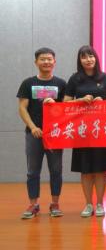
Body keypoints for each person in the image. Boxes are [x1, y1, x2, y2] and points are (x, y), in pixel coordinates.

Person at [64, 45, 106, 218]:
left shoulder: (105, 78)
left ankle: (100, 204)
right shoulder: (74, 79)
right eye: (84, 57)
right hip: (82, 131)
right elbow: (65, 104)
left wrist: (102, 103)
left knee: (100, 169)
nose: (88, 60)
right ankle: (88, 204)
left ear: (96, 58)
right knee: (85, 170)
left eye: (91, 56)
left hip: (101, 130)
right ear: (80, 60)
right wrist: (79, 101)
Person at [17, 47, 66, 219]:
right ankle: (33, 204)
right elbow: (22, 108)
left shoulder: (61, 83)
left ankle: (55, 204)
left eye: (49, 59)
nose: (46, 62)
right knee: (32, 171)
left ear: (54, 62)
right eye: (42, 59)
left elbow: (67, 108)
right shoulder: (28, 83)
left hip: (55, 135)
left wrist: (56, 105)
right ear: (36, 62)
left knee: (56, 170)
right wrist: (33, 127)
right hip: (34, 134)